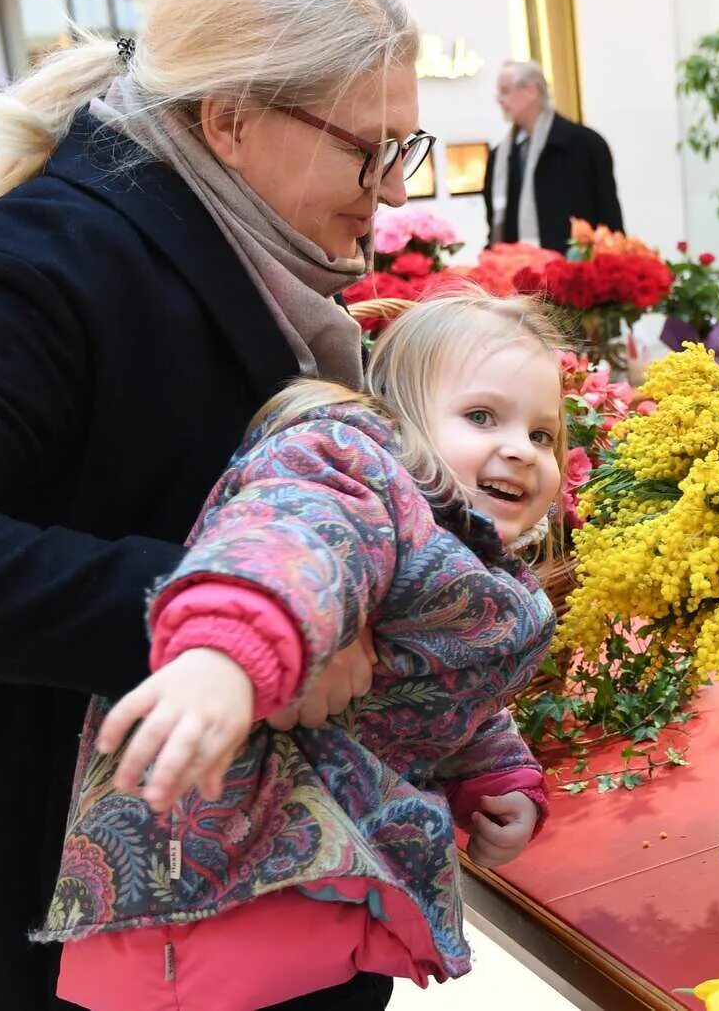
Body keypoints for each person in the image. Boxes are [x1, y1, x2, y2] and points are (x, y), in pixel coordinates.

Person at [0, 0, 429, 1009]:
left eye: (400, 149)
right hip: (72, 910)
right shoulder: (47, 259)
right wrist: (225, 627)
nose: (383, 189)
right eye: (364, 150)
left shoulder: (243, 254)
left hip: (207, 904)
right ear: (230, 121)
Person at [40, 291, 563, 1010]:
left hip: (316, 922)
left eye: (544, 435)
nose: (520, 449)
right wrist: (227, 656)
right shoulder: (350, 471)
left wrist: (497, 774)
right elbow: (292, 542)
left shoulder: (468, 560)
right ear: (399, 420)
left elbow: (439, 685)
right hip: (202, 914)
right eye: (481, 417)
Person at [482, 61, 623, 251]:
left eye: (505, 91)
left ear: (531, 91)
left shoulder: (584, 145)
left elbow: (609, 218)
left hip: (574, 269)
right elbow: (496, 223)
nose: (500, 100)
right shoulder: (499, 156)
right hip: (517, 271)